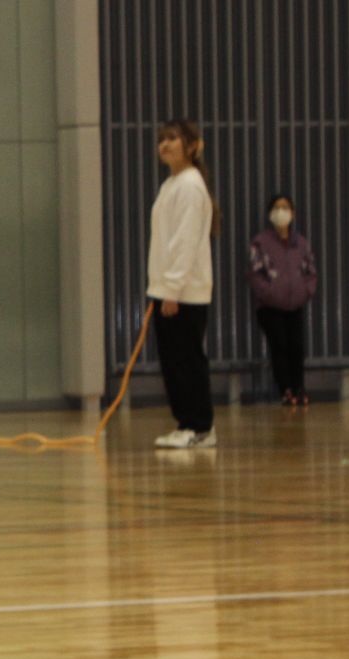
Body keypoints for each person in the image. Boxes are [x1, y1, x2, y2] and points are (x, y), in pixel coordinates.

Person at [147, 118, 218, 449]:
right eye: (161, 140)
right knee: (173, 362)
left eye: (172, 139)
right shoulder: (170, 186)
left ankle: (200, 426)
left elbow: (185, 243)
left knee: (187, 360)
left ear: (191, 146)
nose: (164, 145)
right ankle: (185, 423)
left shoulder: (190, 186)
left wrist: (172, 290)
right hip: (167, 290)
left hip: (184, 294)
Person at [249, 193, 317, 407]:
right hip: (270, 306)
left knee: (296, 346)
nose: (282, 212)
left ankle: (299, 387)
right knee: (279, 345)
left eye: (285, 207)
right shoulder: (260, 243)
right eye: (277, 207)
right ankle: (285, 389)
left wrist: (306, 291)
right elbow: (254, 274)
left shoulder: (301, 244)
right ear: (270, 214)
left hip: (294, 304)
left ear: (292, 213)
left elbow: (311, 272)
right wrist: (269, 293)